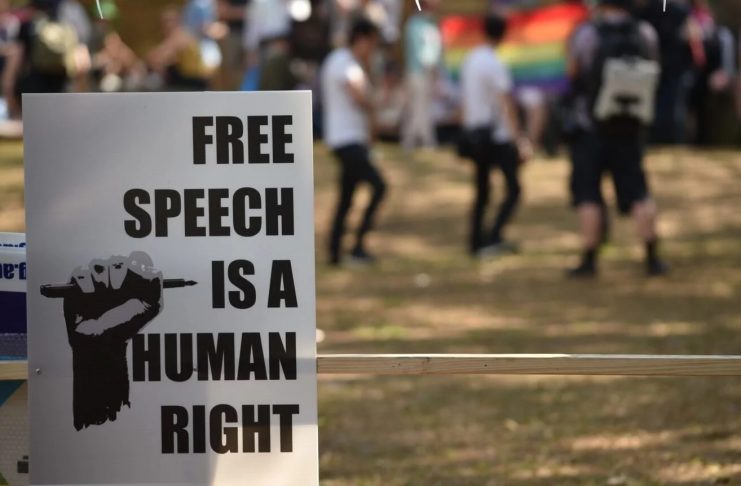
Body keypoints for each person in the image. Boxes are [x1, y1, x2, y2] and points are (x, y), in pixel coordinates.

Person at [566, 0, 668, 277]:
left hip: (590, 127)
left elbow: (573, 71)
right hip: (630, 127)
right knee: (639, 192)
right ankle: (652, 258)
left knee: (588, 193)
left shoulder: (587, 33)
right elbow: (655, 71)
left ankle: (589, 259)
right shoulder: (645, 32)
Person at [460, 13, 530, 257]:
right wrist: (518, 138)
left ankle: (477, 240)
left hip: (474, 132)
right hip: (496, 136)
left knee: (482, 190)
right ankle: (493, 236)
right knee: (513, 189)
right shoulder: (494, 63)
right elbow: (506, 102)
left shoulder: (471, 59)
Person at [321, 17, 386, 265]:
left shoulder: (346, 62)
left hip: (350, 138)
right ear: (362, 39)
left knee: (347, 196)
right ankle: (357, 246)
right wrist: (374, 109)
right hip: (346, 139)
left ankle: (336, 250)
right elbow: (358, 95)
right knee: (379, 187)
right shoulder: (343, 62)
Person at [401, 0, 442, 151]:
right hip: (418, 72)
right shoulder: (415, 25)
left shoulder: (429, 24)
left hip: (426, 73)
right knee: (418, 107)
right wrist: (430, 67)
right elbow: (422, 53)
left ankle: (421, 139)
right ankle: (417, 140)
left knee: (422, 107)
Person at [147, 6, 210, 91]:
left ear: (178, 21)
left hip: (193, 83)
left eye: (170, 21)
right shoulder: (179, 36)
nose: (167, 25)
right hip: (187, 82)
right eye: (164, 22)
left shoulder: (180, 36)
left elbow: (156, 58)